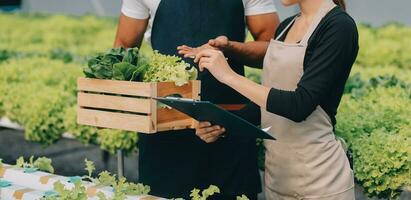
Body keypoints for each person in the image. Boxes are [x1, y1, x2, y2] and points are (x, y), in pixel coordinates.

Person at [181, 0, 359, 199]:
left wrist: (228, 76)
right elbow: (267, 106)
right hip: (277, 180)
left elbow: (299, 105)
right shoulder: (286, 27)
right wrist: (222, 124)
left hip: (321, 181)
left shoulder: (339, 27)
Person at [113, 0, 280, 199]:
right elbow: (124, 47)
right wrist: (114, 100)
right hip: (165, 131)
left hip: (229, 121)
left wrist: (231, 48)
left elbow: (274, 49)